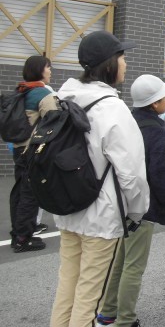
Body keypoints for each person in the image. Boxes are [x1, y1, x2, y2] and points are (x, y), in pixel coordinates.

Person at [50, 31, 149, 327]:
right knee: (89, 298)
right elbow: (131, 173)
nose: (126, 63)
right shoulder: (112, 108)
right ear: (109, 64)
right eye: (122, 57)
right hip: (101, 218)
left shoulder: (61, 98)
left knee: (67, 289)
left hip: (67, 209)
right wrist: (136, 212)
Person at [97, 75, 165, 327]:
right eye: (163, 97)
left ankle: (108, 312)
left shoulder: (128, 123)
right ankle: (125, 320)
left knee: (119, 261)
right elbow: (162, 176)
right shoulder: (158, 133)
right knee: (133, 266)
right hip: (143, 206)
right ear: (154, 103)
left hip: (119, 202)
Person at [9, 55, 56, 252]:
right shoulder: (42, 93)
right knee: (30, 194)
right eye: (48, 67)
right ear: (39, 70)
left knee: (19, 191)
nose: (50, 71)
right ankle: (23, 238)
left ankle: (17, 233)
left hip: (18, 148)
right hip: (32, 150)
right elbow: (54, 120)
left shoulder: (21, 90)